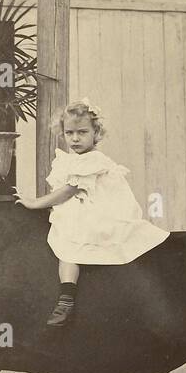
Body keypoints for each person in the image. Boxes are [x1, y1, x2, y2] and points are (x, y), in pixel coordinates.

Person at [14, 98, 168, 326]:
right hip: (85, 205)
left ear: (96, 133)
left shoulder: (93, 160)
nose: (75, 139)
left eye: (82, 132)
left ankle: (66, 298)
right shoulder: (72, 159)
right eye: (69, 133)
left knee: (68, 243)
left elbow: (68, 191)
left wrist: (35, 203)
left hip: (99, 210)